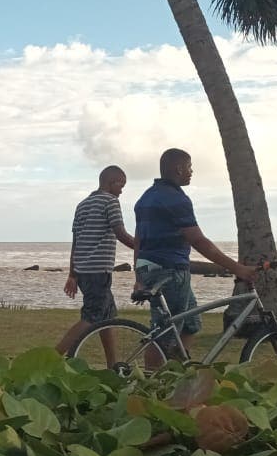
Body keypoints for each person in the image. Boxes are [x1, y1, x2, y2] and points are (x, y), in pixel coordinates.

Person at [134, 148, 256, 368]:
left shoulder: (147, 196)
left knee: (191, 324)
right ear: (179, 168)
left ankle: (178, 371)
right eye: (189, 167)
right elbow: (198, 240)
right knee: (164, 334)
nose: (192, 171)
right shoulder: (176, 199)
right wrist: (237, 268)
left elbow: (139, 240)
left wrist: (139, 274)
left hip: (150, 266)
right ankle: (151, 385)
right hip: (169, 270)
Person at [55, 166, 136, 362]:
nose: (122, 191)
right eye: (121, 185)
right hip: (98, 271)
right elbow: (121, 234)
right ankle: (50, 359)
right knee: (91, 318)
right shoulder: (111, 202)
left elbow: (76, 242)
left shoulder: (82, 205)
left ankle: (113, 366)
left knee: (106, 319)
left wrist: (72, 274)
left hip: (84, 271)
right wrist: (146, 248)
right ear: (111, 181)